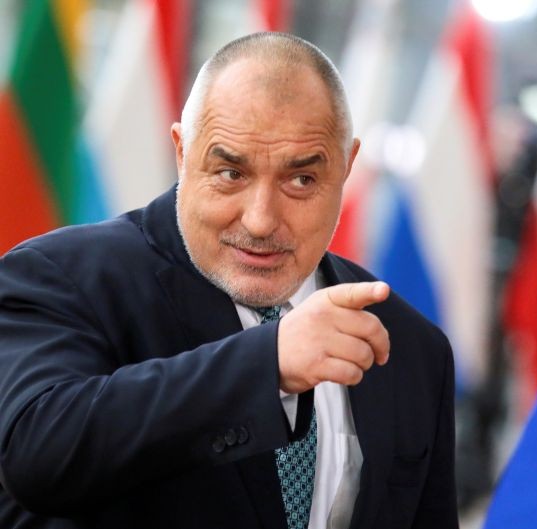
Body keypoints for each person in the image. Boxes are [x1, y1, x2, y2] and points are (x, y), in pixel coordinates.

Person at [0, 32, 457, 529]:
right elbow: (36, 455)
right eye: (230, 173)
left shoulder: (411, 346)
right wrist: (269, 362)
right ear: (182, 151)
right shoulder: (63, 277)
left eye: (300, 180)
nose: (261, 220)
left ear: (347, 167)